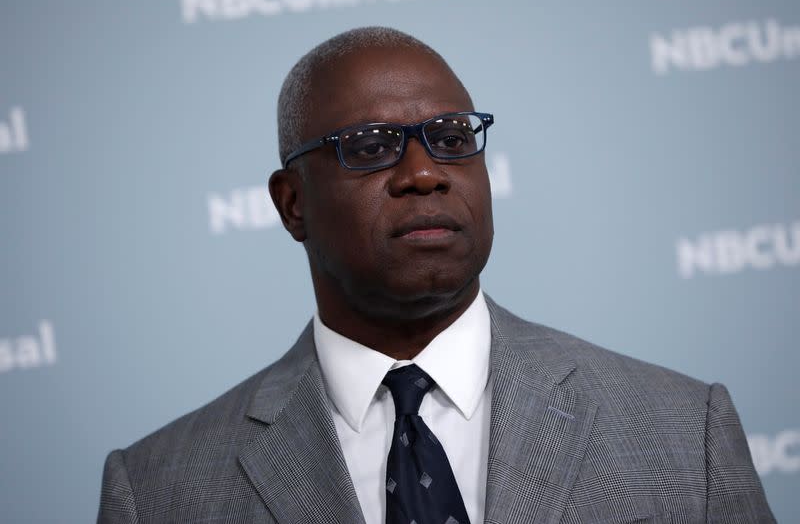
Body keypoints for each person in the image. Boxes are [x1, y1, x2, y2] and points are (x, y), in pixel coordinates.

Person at [98, 27, 774, 524]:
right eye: (369, 147)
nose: (424, 173)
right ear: (292, 203)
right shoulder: (160, 490)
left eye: (451, 139)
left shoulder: (686, 430)